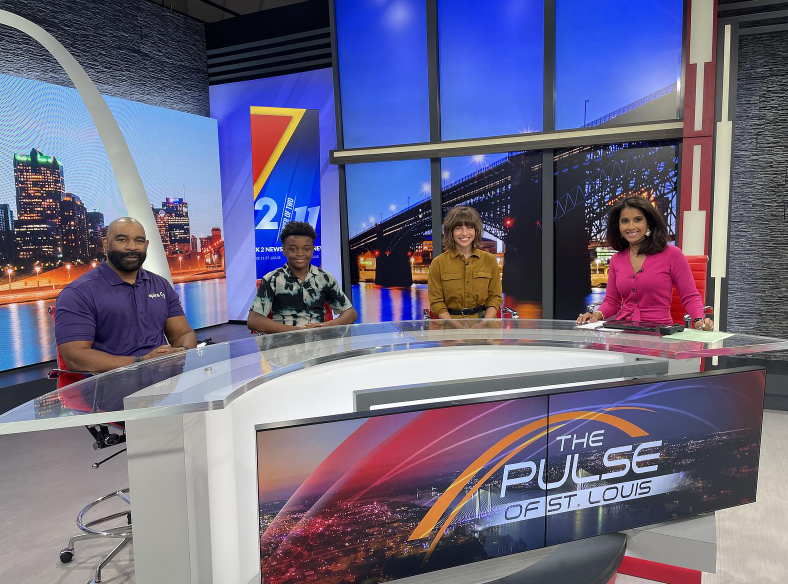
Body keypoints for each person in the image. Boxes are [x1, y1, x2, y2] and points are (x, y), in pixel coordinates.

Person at [55, 217, 197, 373]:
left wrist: (181, 352)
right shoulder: (78, 293)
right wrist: (142, 362)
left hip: (165, 384)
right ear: (105, 243)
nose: (132, 247)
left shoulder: (160, 285)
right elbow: (76, 358)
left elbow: (183, 333)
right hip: (109, 391)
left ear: (147, 245)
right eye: (122, 240)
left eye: (139, 241)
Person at [576, 196, 714, 330]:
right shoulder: (616, 260)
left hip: (659, 333)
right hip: (623, 331)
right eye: (624, 221)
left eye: (638, 219)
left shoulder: (673, 254)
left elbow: (690, 296)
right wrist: (597, 315)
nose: (631, 226)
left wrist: (698, 321)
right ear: (618, 226)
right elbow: (612, 301)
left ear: (649, 223)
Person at [247, 221, 357, 333]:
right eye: (293, 249)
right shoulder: (272, 279)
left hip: (318, 343)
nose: (300, 254)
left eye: (306, 249)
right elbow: (254, 320)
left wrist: (324, 326)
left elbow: (351, 313)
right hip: (282, 344)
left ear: (313, 249)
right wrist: (296, 332)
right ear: (284, 249)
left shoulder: (325, 278)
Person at [428, 205, 503, 320]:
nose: (464, 233)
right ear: (451, 232)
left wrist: (483, 325)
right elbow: (436, 303)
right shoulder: (438, 263)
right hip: (450, 329)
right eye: (458, 228)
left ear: (476, 231)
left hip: (484, 328)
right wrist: (455, 327)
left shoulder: (490, 260)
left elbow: (495, 298)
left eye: (469, 227)